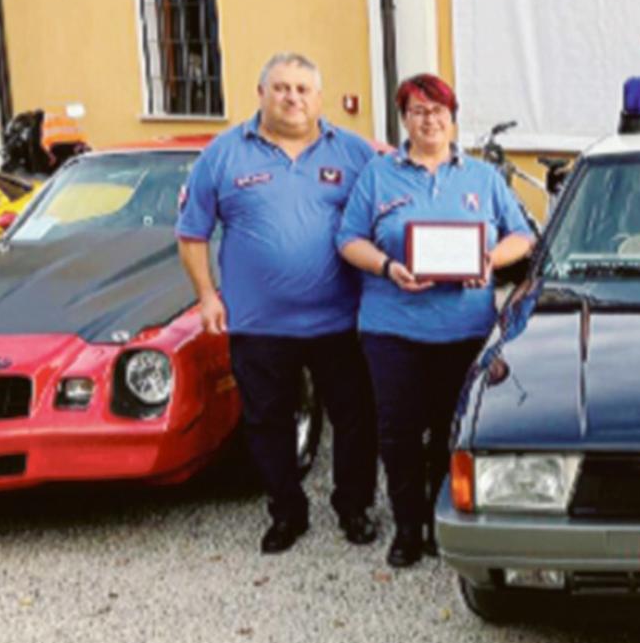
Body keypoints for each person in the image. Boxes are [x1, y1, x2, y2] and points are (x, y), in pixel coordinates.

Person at [177, 52, 383, 555]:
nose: (292, 98)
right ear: (262, 93)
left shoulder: (355, 153)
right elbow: (191, 232)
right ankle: (286, 512)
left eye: (302, 89)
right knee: (267, 422)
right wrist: (207, 295)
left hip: (341, 321)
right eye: (282, 88)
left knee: (356, 420)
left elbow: (393, 216)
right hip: (259, 325)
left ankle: (353, 507)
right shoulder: (223, 154)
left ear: (319, 97)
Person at [336, 74, 536, 567]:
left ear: (453, 118)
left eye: (438, 110)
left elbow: (523, 236)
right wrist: (388, 266)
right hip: (392, 330)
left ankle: (438, 520)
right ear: (404, 119)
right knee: (399, 432)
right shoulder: (378, 175)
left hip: (463, 331)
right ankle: (407, 527)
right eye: (418, 111)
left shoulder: (483, 178)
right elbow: (348, 239)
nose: (429, 120)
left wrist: (489, 260)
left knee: (452, 430)